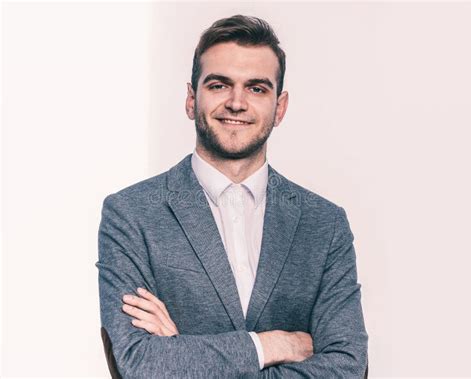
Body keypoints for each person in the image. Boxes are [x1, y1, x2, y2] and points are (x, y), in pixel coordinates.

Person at [96, 14, 368, 378]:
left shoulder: (324, 225)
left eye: (257, 88)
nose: (237, 103)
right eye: (219, 85)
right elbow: (141, 363)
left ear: (280, 107)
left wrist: (183, 353)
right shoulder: (131, 214)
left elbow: (348, 367)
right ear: (192, 99)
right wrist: (275, 345)